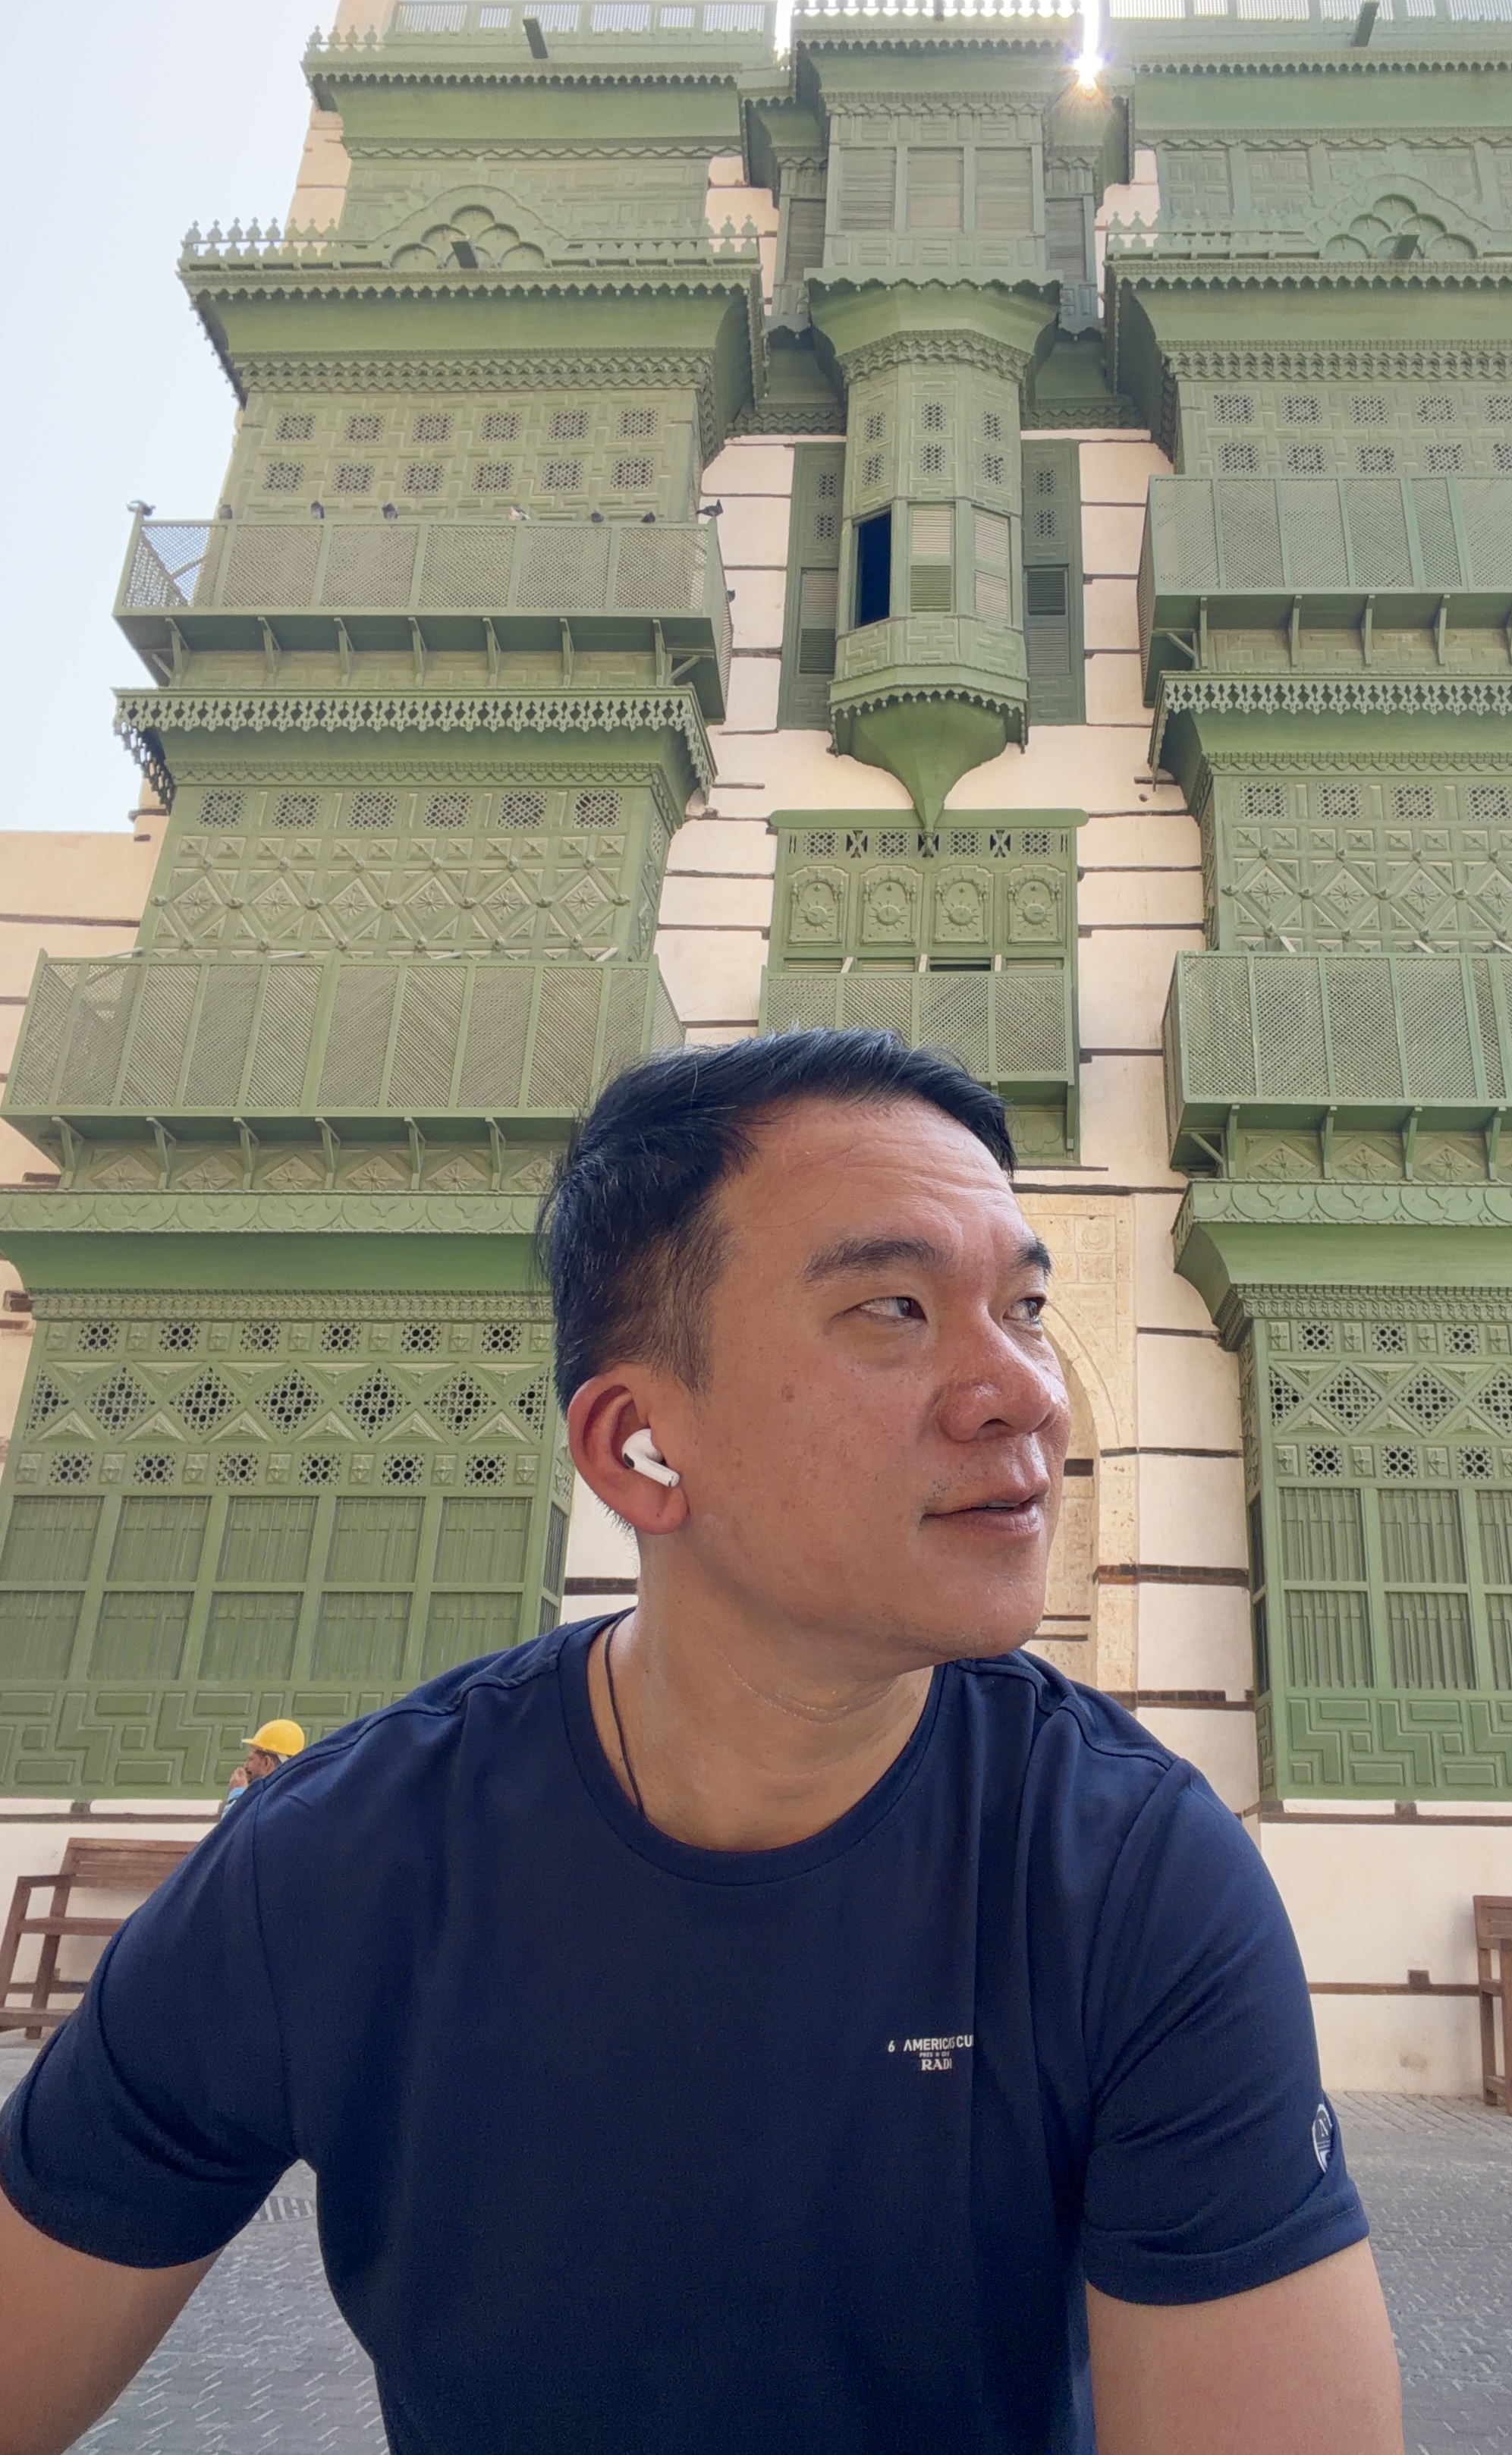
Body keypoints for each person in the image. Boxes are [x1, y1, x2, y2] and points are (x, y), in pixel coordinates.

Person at [0, 1031, 1404, 2455]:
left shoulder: (1128, 1877)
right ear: (637, 1447)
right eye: (895, 1307)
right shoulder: (332, 1868)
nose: (1029, 1390)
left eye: (1025, 1306)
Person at [222, 1718, 306, 1809]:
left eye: (250, 1759)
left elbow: (236, 1818)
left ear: (267, 1763)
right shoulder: (297, 1793)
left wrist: (236, 1795)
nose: (245, 1766)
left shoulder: (273, 1803)